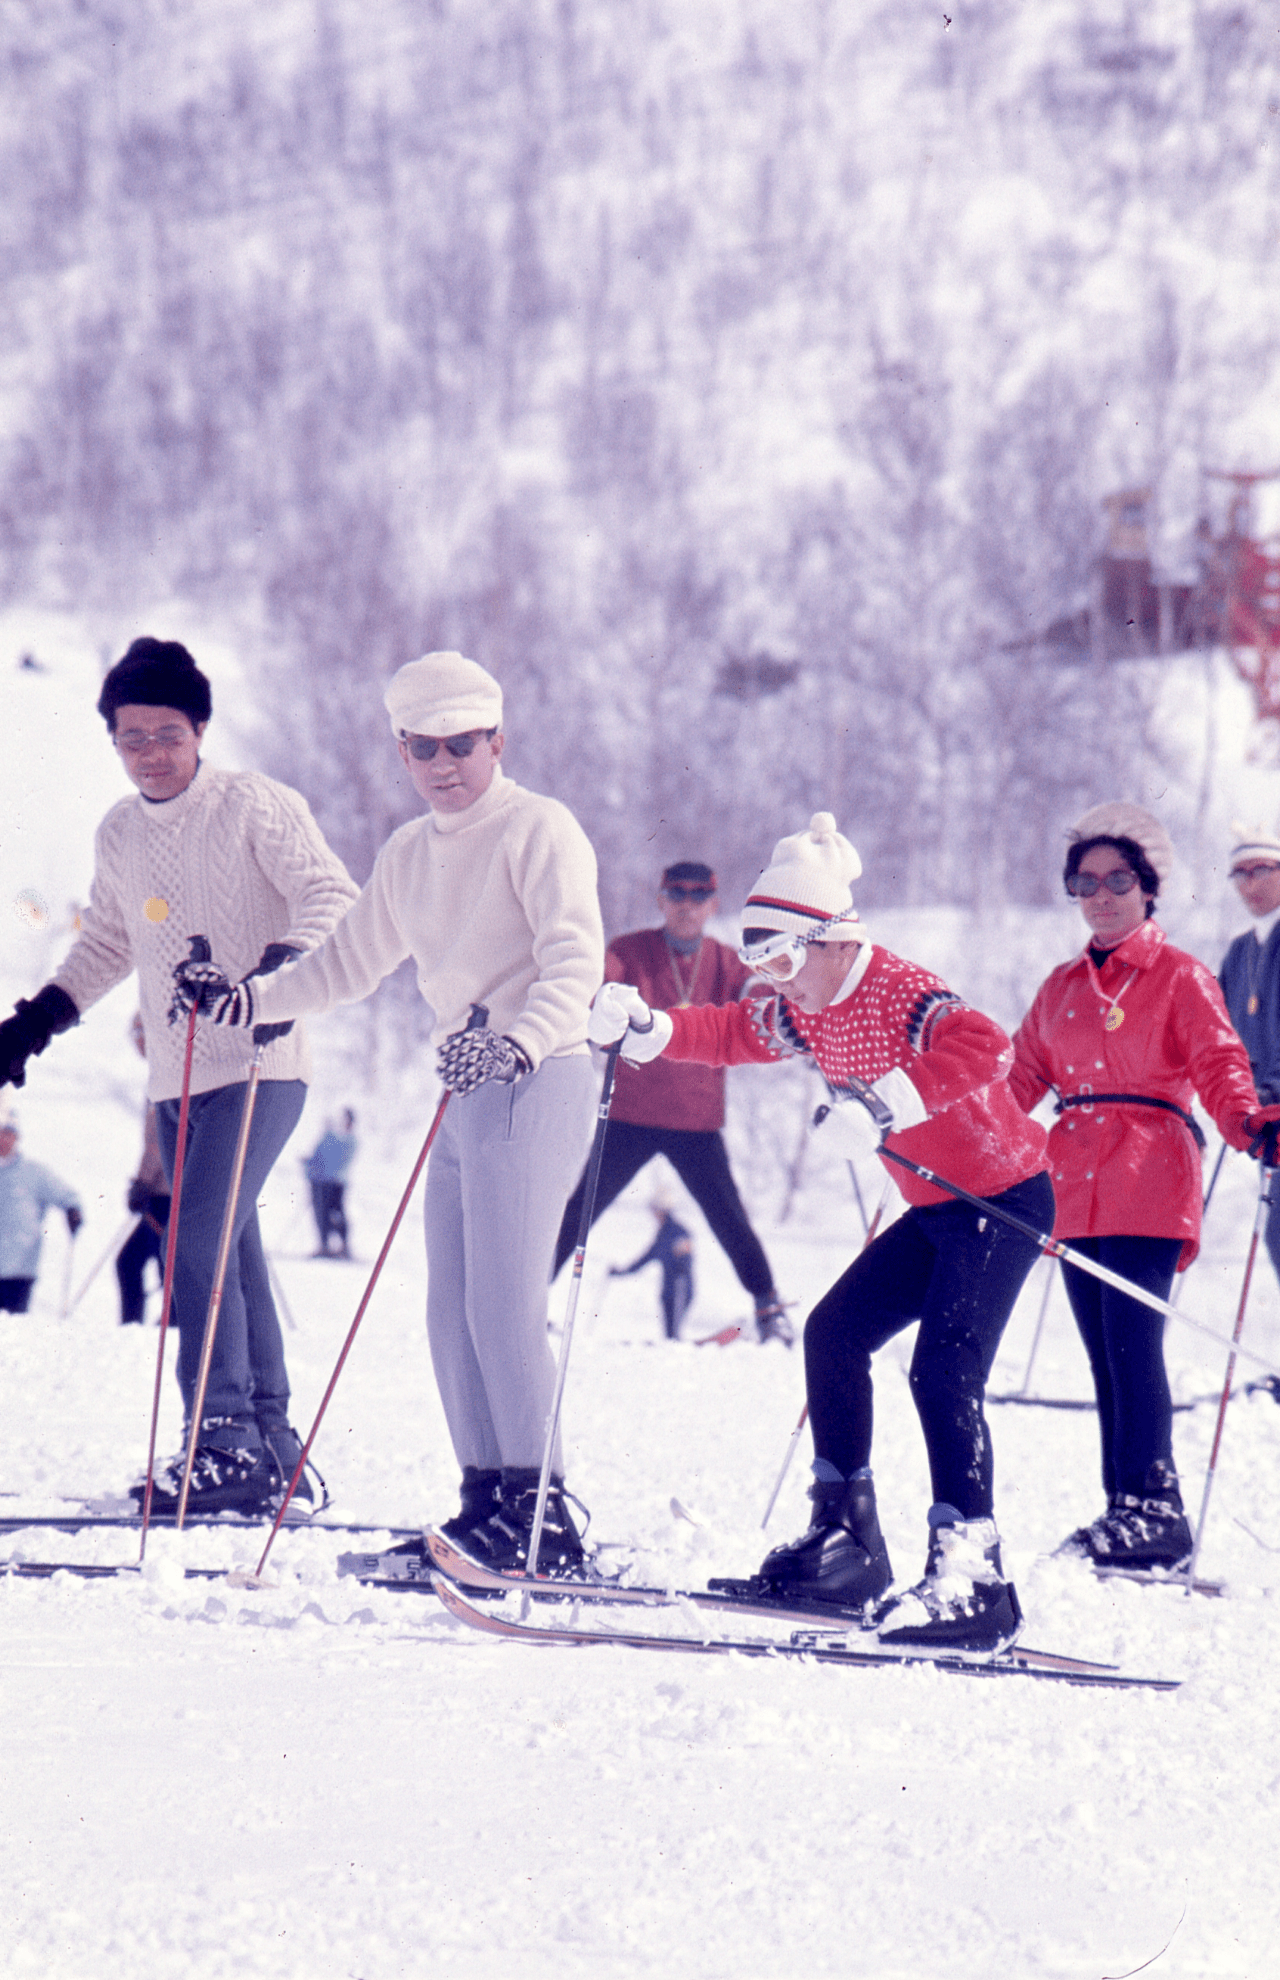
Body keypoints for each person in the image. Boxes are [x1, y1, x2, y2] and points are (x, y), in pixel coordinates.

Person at [171, 651, 605, 1572]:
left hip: (539, 1073)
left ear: (497, 741)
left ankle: (543, 1518)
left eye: (461, 744)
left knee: (504, 1306)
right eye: (422, 748)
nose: (443, 765)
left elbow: (575, 960)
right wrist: (248, 1000)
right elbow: (346, 964)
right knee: (451, 1312)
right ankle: (487, 1502)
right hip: (466, 1084)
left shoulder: (538, 827)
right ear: (402, 751)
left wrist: (519, 1043)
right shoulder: (410, 852)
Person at [589, 812, 1052, 1653]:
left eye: (782, 961)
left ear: (833, 939)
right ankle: (847, 1544)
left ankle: (974, 1579)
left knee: (944, 1371)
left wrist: (882, 1104)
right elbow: (736, 1031)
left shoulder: (896, 989)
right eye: (759, 966)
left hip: (1001, 1199)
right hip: (938, 1208)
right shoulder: (807, 1006)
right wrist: (657, 1030)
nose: (774, 982)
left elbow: (986, 1047)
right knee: (834, 1333)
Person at [0, 637, 359, 1510]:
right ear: (114, 741)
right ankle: (272, 1444)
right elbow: (109, 941)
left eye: (167, 734)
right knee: (229, 1248)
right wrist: (37, 1020)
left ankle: (222, 1438)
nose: (151, 753)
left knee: (196, 1241)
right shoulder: (121, 831)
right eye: (132, 738)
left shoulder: (252, 804)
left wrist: (272, 972)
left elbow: (330, 895)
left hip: (261, 1062)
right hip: (175, 1079)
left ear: (199, 729)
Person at [1010, 802, 1280, 1570]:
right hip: (1074, 1182)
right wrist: (949, 1125)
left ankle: (1157, 1509)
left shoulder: (1180, 976)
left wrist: (1250, 1122)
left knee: (1133, 1347)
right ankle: (1123, 1508)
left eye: (1118, 880)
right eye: (1085, 882)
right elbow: (1018, 1079)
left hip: (1149, 1171)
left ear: (1149, 887)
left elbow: (1220, 1063)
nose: (1101, 895)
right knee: (1104, 1354)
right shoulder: (1061, 987)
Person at [553, 861, 789, 1342]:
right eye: (677, 895)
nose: (687, 906)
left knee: (729, 1218)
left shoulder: (725, 960)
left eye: (698, 897)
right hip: (631, 1114)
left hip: (695, 1121)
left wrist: (791, 1019)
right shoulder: (630, 951)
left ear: (713, 905)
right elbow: (600, 984)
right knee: (581, 1209)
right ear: (661, 901)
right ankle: (524, 1299)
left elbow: (758, 996)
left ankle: (768, 1307)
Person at [1219, 822, 1280, 1301]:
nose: (1249, 883)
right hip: (1264, 1122)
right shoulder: (1241, 951)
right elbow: (1217, 1033)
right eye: (1239, 873)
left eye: (1261, 870)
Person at [0, 1105, 82, 1313]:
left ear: (16, 1137)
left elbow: (65, 1195)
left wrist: (73, 1210)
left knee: (13, 1325)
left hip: (19, 1268)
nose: (3, 1140)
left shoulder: (33, 1172)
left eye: (8, 1134)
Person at [116, 1012, 170, 1325]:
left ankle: (148, 1327)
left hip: (165, 1193)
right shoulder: (163, 1074)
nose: (137, 1043)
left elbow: (158, 1140)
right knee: (148, 1262)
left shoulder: (164, 1078)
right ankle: (147, 1325)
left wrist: (143, 1182)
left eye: (140, 1035)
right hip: (167, 1190)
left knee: (133, 1262)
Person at [608, 1197, 695, 1340]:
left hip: (680, 1289)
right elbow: (645, 1258)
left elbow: (686, 1258)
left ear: (663, 1210)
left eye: (655, 1210)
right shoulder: (662, 1235)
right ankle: (671, 1346)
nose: (653, 1214)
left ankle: (676, 1347)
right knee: (669, 1333)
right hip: (667, 1291)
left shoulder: (679, 1231)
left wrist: (681, 1265)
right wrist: (620, 1272)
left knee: (674, 1331)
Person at [304, 1108, 357, 1258]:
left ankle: (342, 1246)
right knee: (323, 1214)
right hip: (321, 1181)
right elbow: (319, 1157)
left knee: (335, 1214)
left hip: (333, 1182)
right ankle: (325, 1245)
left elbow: (334, 1160)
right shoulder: (331, 1137)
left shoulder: (346, 1140)